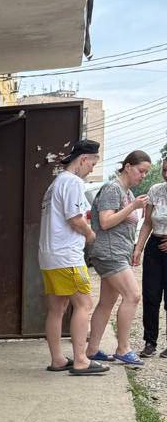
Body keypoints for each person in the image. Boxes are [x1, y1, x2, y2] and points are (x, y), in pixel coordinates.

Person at [38, 138, 108, 375]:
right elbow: (75, 219)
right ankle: (81, 360)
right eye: (92, 164)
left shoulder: (55, 184)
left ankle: (58, 359)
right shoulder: (73, 182)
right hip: (67, 256)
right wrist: (90, 234)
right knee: (84, 304)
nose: (92, 169)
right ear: (84, 159)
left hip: (49, 255)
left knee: (57, 308)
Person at [85, 151, 151, 367]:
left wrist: (134, 249)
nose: (143, 176)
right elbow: (105, 222)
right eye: (141, 171)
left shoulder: (128, 193)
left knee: (107, 302)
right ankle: (123, 348)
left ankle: (92, 349)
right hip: (109, 253)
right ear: (128, 167)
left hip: (118, 252)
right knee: (133, 295)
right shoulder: (113, 189)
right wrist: (132, 207)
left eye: (146, 172)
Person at [134, 160, 167, 357]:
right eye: (164, 170)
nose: (166, 174)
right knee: (151, 294)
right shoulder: (156, 190)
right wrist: (138, 248)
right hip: (155, 245)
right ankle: (150, 342)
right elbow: (147, 222)